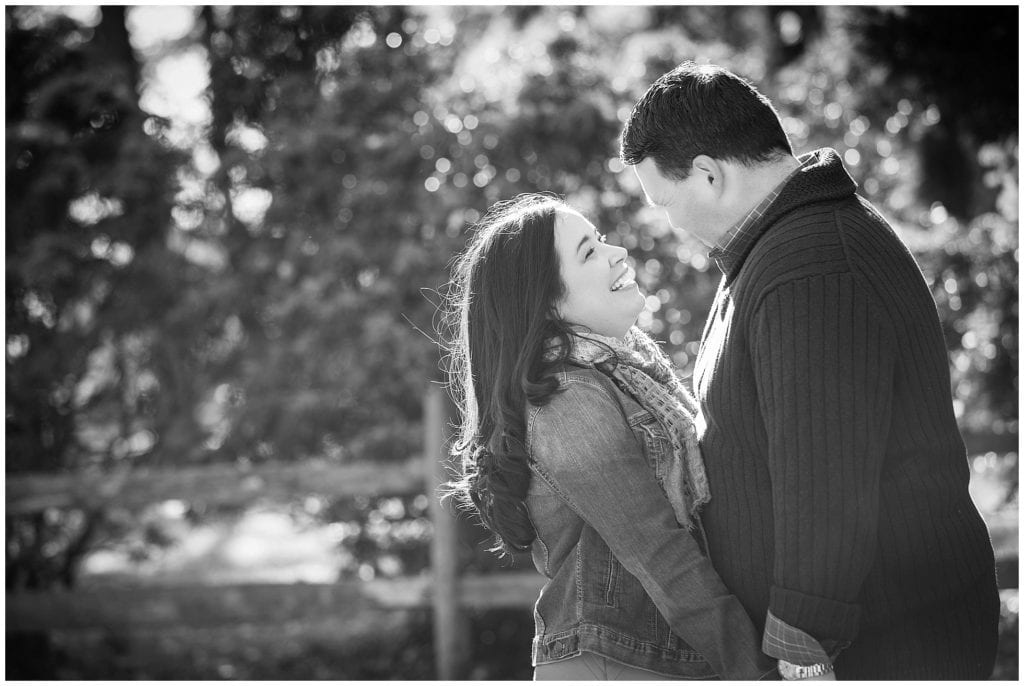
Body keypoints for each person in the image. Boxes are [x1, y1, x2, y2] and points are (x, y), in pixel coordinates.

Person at [619, 61, 1000, 681]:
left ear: (709, 174)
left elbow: (824, 467)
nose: (671, 223)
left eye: (665, 201)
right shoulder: (782, 249)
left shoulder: (811, 265)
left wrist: (801, 642)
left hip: (886, 645)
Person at [443, 194, 776, 680]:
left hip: (656, 658)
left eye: (599, 240)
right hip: (615, 664)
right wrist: (758, 673)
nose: (615, 252)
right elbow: (658, 553)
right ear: (547, 301)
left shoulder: (622, 372)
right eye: (588, 252)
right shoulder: (565, 399)